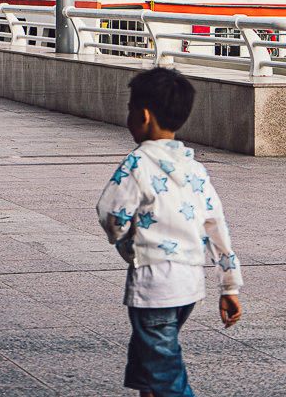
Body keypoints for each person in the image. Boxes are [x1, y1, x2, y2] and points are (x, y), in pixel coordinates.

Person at [97, 67, 242, 397]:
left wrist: (125, 243)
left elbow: (111, 214)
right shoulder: (196, 170)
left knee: (166, 373)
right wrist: (229, 285)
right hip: (188, 286)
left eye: (130, 109)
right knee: (148, 355)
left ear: (143, 116)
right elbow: (217, 228)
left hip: (155, 286)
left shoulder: (137, 163)